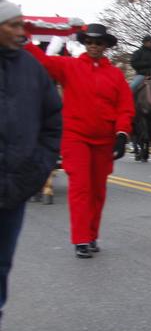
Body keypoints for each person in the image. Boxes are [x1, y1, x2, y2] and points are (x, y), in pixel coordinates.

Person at [24, 23, 133, 258]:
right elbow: (44, 62)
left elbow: (125, 107)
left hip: (104, 140)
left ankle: (92, 236)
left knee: (97, 191)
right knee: (80, 187)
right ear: (85, 44)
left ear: (105, 46)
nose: (94, 46)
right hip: (75, 137)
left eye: (99, 43)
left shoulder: (115, 75)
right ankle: (81, 239)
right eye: (90, 42)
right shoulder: (69, 66)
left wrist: (122, 134)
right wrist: (25, 42)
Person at [0, 0, 62, 331]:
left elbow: (52, 118)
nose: (20, 32)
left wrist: (40, 164)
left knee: (2, 260)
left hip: (18, 178)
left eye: (21, 25)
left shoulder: (31, 68)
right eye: (13, 25)